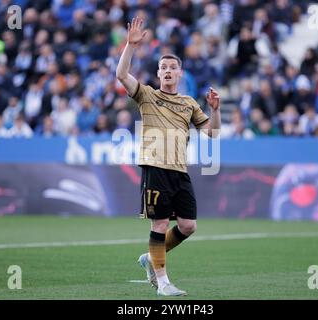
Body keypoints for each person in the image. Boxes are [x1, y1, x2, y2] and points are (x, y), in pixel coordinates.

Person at [116, 16, 221, 296]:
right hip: (155, 167)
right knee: (160, 224)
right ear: (158, 73)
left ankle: (150, 258)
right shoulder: (147, 96)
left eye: (173, 67)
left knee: (188, 226)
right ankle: (162, 283)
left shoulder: (188, 103)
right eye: (163, 67)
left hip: (179, 170)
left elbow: (212, 134)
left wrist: (216, 109)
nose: (167, 71)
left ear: (180, 74)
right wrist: (130, 46)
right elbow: (121, 75)